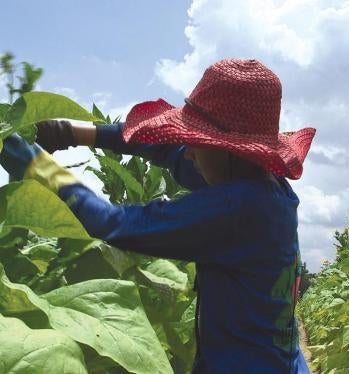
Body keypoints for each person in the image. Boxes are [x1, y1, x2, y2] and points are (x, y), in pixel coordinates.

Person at [0, 58, 316, 373]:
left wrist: (27, 159)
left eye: (198, 142)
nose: (189, 151)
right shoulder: (267, 189)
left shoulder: (240, 208)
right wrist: (72, 132)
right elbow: (169, 150)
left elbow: (112, 222)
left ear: (230, 150)